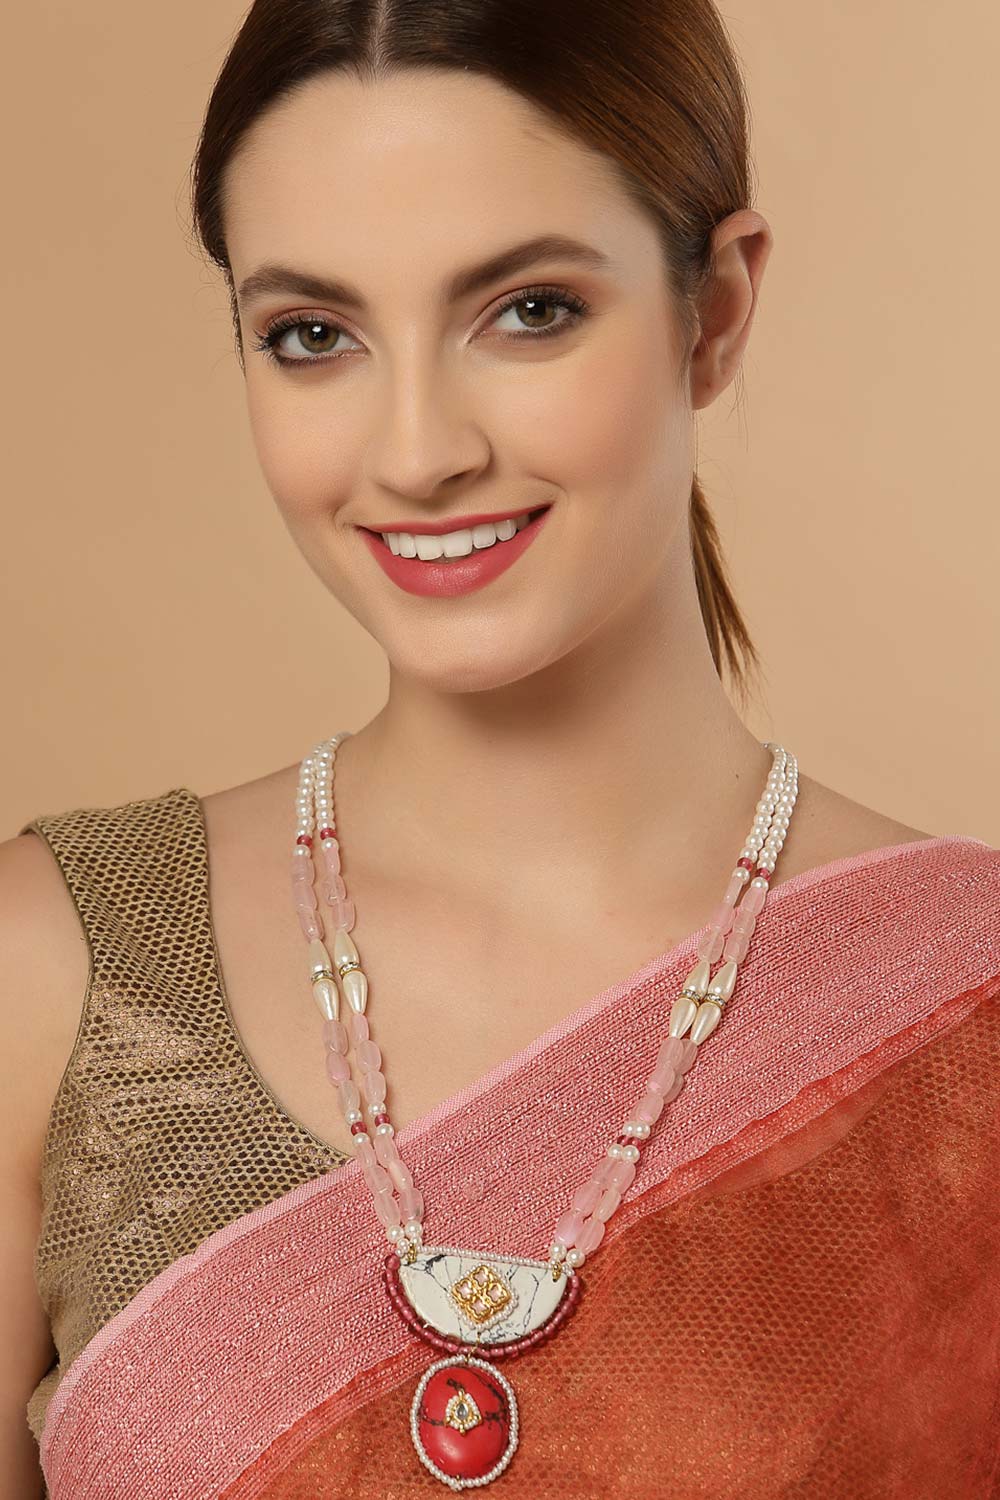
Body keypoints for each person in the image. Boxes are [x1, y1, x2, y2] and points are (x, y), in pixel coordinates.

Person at [3, 2, 997, 1496]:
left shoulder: (966, 1010)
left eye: (528, 310)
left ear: (717, 310)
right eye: (313, 336)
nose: (418, 452)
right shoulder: (57, 973)